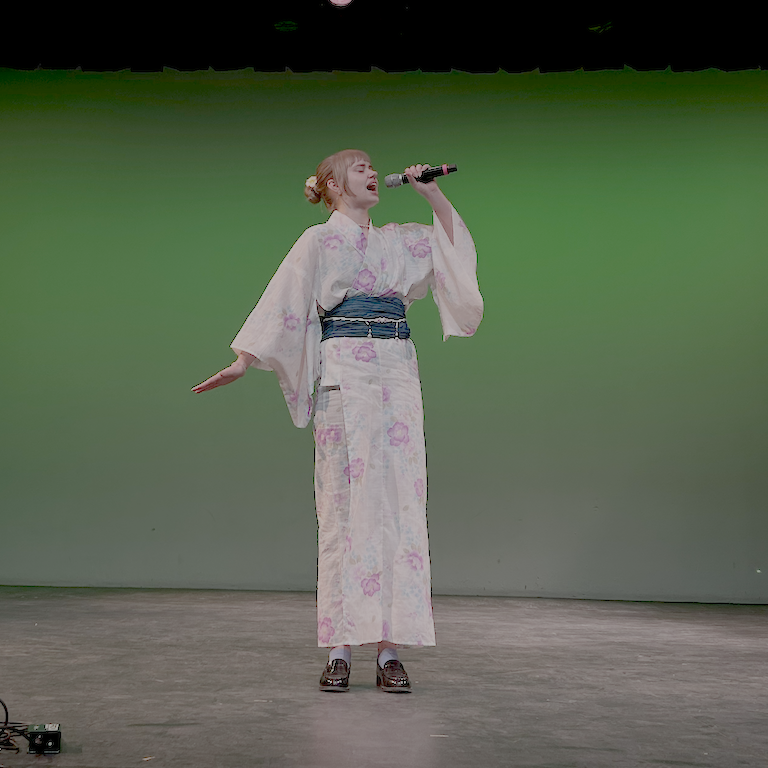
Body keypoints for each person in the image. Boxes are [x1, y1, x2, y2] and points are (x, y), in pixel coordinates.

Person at [192, 149, 483, 692]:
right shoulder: (318, 241)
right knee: (344, 507)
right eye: (358, 166)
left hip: (396, 370)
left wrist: (431, 192)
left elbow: (450, 251)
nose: (372, 172)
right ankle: (340, 648)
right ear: (330, 183)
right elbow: (284, 301)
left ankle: (390, 649)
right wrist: (243, 362)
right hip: (345, 370)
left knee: (400, 502)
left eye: (374, 166)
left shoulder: (398, 238)